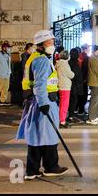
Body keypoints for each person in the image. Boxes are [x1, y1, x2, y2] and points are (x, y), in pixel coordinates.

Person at [17, 30, 68, 180]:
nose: (52, 45)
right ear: (41, 45)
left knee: (37, 136)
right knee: (49, 135)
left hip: (37, 101)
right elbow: (39, 85)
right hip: (44, 101)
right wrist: (44, 104)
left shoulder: (37, 58)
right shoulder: (41, 61)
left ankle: (32, 170)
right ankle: (51, 166)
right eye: (49, 43)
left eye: (52, 42)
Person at [55, 51, 74, 128]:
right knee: (64, 104)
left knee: (61, 103)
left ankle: (61, 119)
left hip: (60, 85)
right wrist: (73, 73)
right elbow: (71, 75)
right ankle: (62, 121)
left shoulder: (58, 63)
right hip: (65, 86)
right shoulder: (65, 64)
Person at [86, 45, 98, 125]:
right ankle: (91, 118)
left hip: (95, 81)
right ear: (95, 51)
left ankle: (94, 116)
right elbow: (97, 70)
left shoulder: (93, 58)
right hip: (95, 81)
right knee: (94, 100)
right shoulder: (93, 58)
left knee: (95, 100)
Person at [68, 48, 83, 123]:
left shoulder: (69, 62)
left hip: (71, 85)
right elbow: (76, 75)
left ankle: (70, 115)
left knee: (71, 101)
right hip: (75, 86)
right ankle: (71, 116)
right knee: (73, 101)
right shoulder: (75, 63)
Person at [77, 44, 90, 116]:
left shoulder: (79, 56)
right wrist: (85, 79)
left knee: (79, 95)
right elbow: (85, 69)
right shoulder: (86, 57)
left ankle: (78, 109)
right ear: (86, 49)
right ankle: (81, 110)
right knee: (84, 95)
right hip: (84, 79)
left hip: (78, 78)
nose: (89, 50)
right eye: (88, 48)